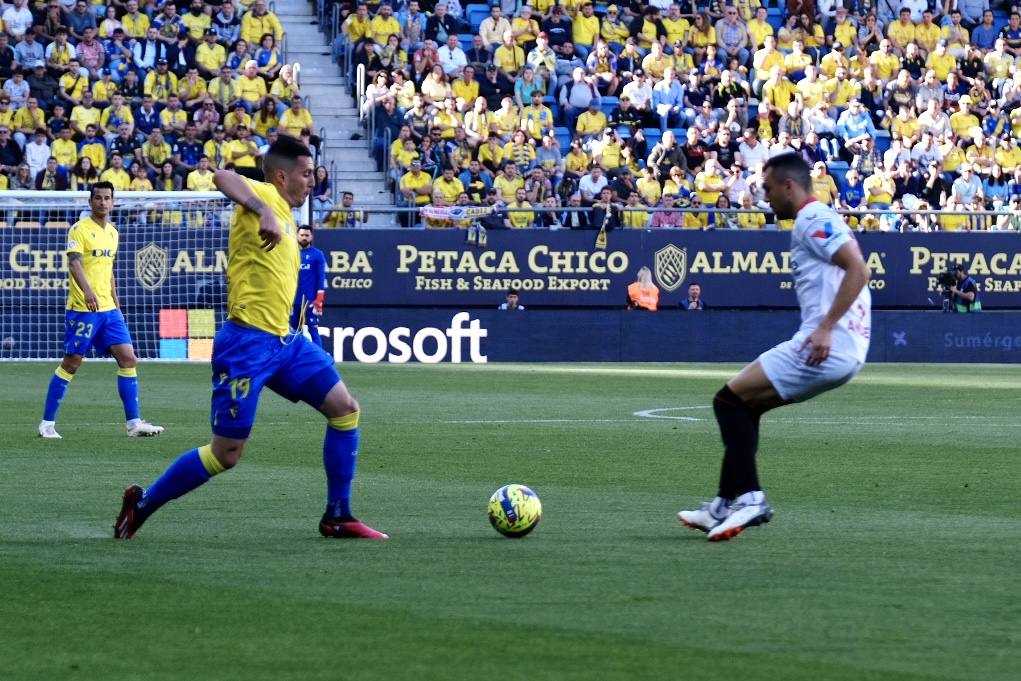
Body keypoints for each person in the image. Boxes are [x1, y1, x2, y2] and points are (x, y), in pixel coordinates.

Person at [113, 136, 387, 541]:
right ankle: (143, 504)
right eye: (307, 173)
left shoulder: (290, 215)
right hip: (247, 345)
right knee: (226, 454)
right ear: (281, 176)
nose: (314, 181)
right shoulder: (262, 195)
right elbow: (223, 176)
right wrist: (261, 210)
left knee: (345, 409)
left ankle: (338, 515)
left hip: (288, 343)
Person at [677, 153, 871, 541]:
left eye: (767, 188)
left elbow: (859, 269)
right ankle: (721, 506)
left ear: (788, 186)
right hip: (845, 349)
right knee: (747, 405)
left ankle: (750, 498)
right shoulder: (820, 219)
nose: (765, 198)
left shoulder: (812, 219)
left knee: (727, 401)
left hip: (826, 344)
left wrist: (826, 328)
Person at [38, 182, 165, 440]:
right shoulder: (79, 229)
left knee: (128, 358)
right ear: (90, 201)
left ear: (113, 202)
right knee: (72, 363)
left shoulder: (113, 233)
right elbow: (75, 264)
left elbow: (109, 272)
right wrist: (87, 291)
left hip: (109, 310)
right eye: (98, 198)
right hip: (83, 309)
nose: (103, 202)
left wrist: (117, 305)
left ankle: (134, 423)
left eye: (107, 198)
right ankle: (47, 423)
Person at [290, 225, 328, 347]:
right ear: (297, 236)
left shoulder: (317, 254)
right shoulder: (291, 254)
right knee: (294, 331)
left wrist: (319, 299)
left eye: (307, 235)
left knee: (313, 329)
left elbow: (321, 277)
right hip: (294, 300)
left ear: (311, 237)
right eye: (302, 235)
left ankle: (319, 359)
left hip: (311, 301)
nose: (304, 238)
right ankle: (295, 359)